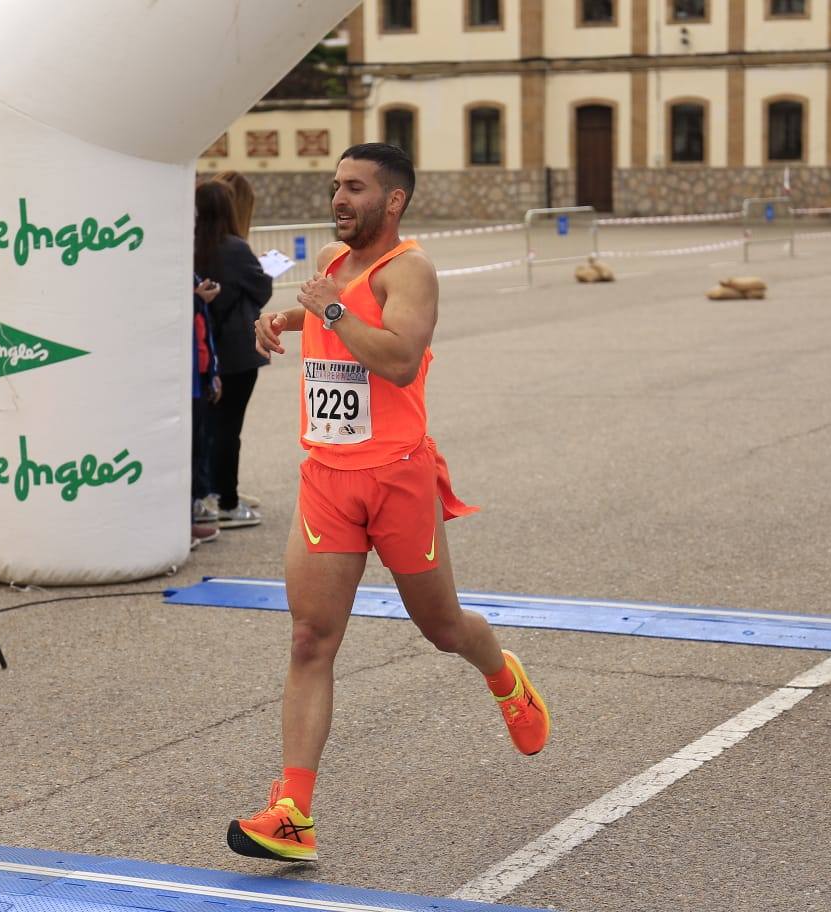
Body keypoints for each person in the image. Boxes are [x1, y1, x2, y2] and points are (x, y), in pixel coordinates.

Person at [229, 143, 550, 862]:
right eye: (334, 185)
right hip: (328, 479)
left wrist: (331, 311)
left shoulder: (412, 270)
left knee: (440, 627)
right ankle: (293, 812)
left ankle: (504, 676)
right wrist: (290, 321)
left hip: (398, 479)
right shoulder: (330, 270)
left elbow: (400, 357)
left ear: (393, 201)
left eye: (354, 188)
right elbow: (338, 325)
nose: (338, 198)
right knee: (311, 640)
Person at [194, 180, 271, 529]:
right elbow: (262, 286)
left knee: (207, 426)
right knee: (230, 429)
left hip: (204, 352)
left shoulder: (189, 246)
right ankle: (228, 499)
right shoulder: (235, 248)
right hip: (237, 353)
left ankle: (207, 492)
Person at [191, 274, 222, 548]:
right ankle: (186, 519)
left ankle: (192, 512)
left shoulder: (191, 272)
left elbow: (205, 332)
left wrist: (212, 372)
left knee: (198, 445)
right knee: (188, 448)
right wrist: (197, 299)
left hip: (200, 373)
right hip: (185, 377)